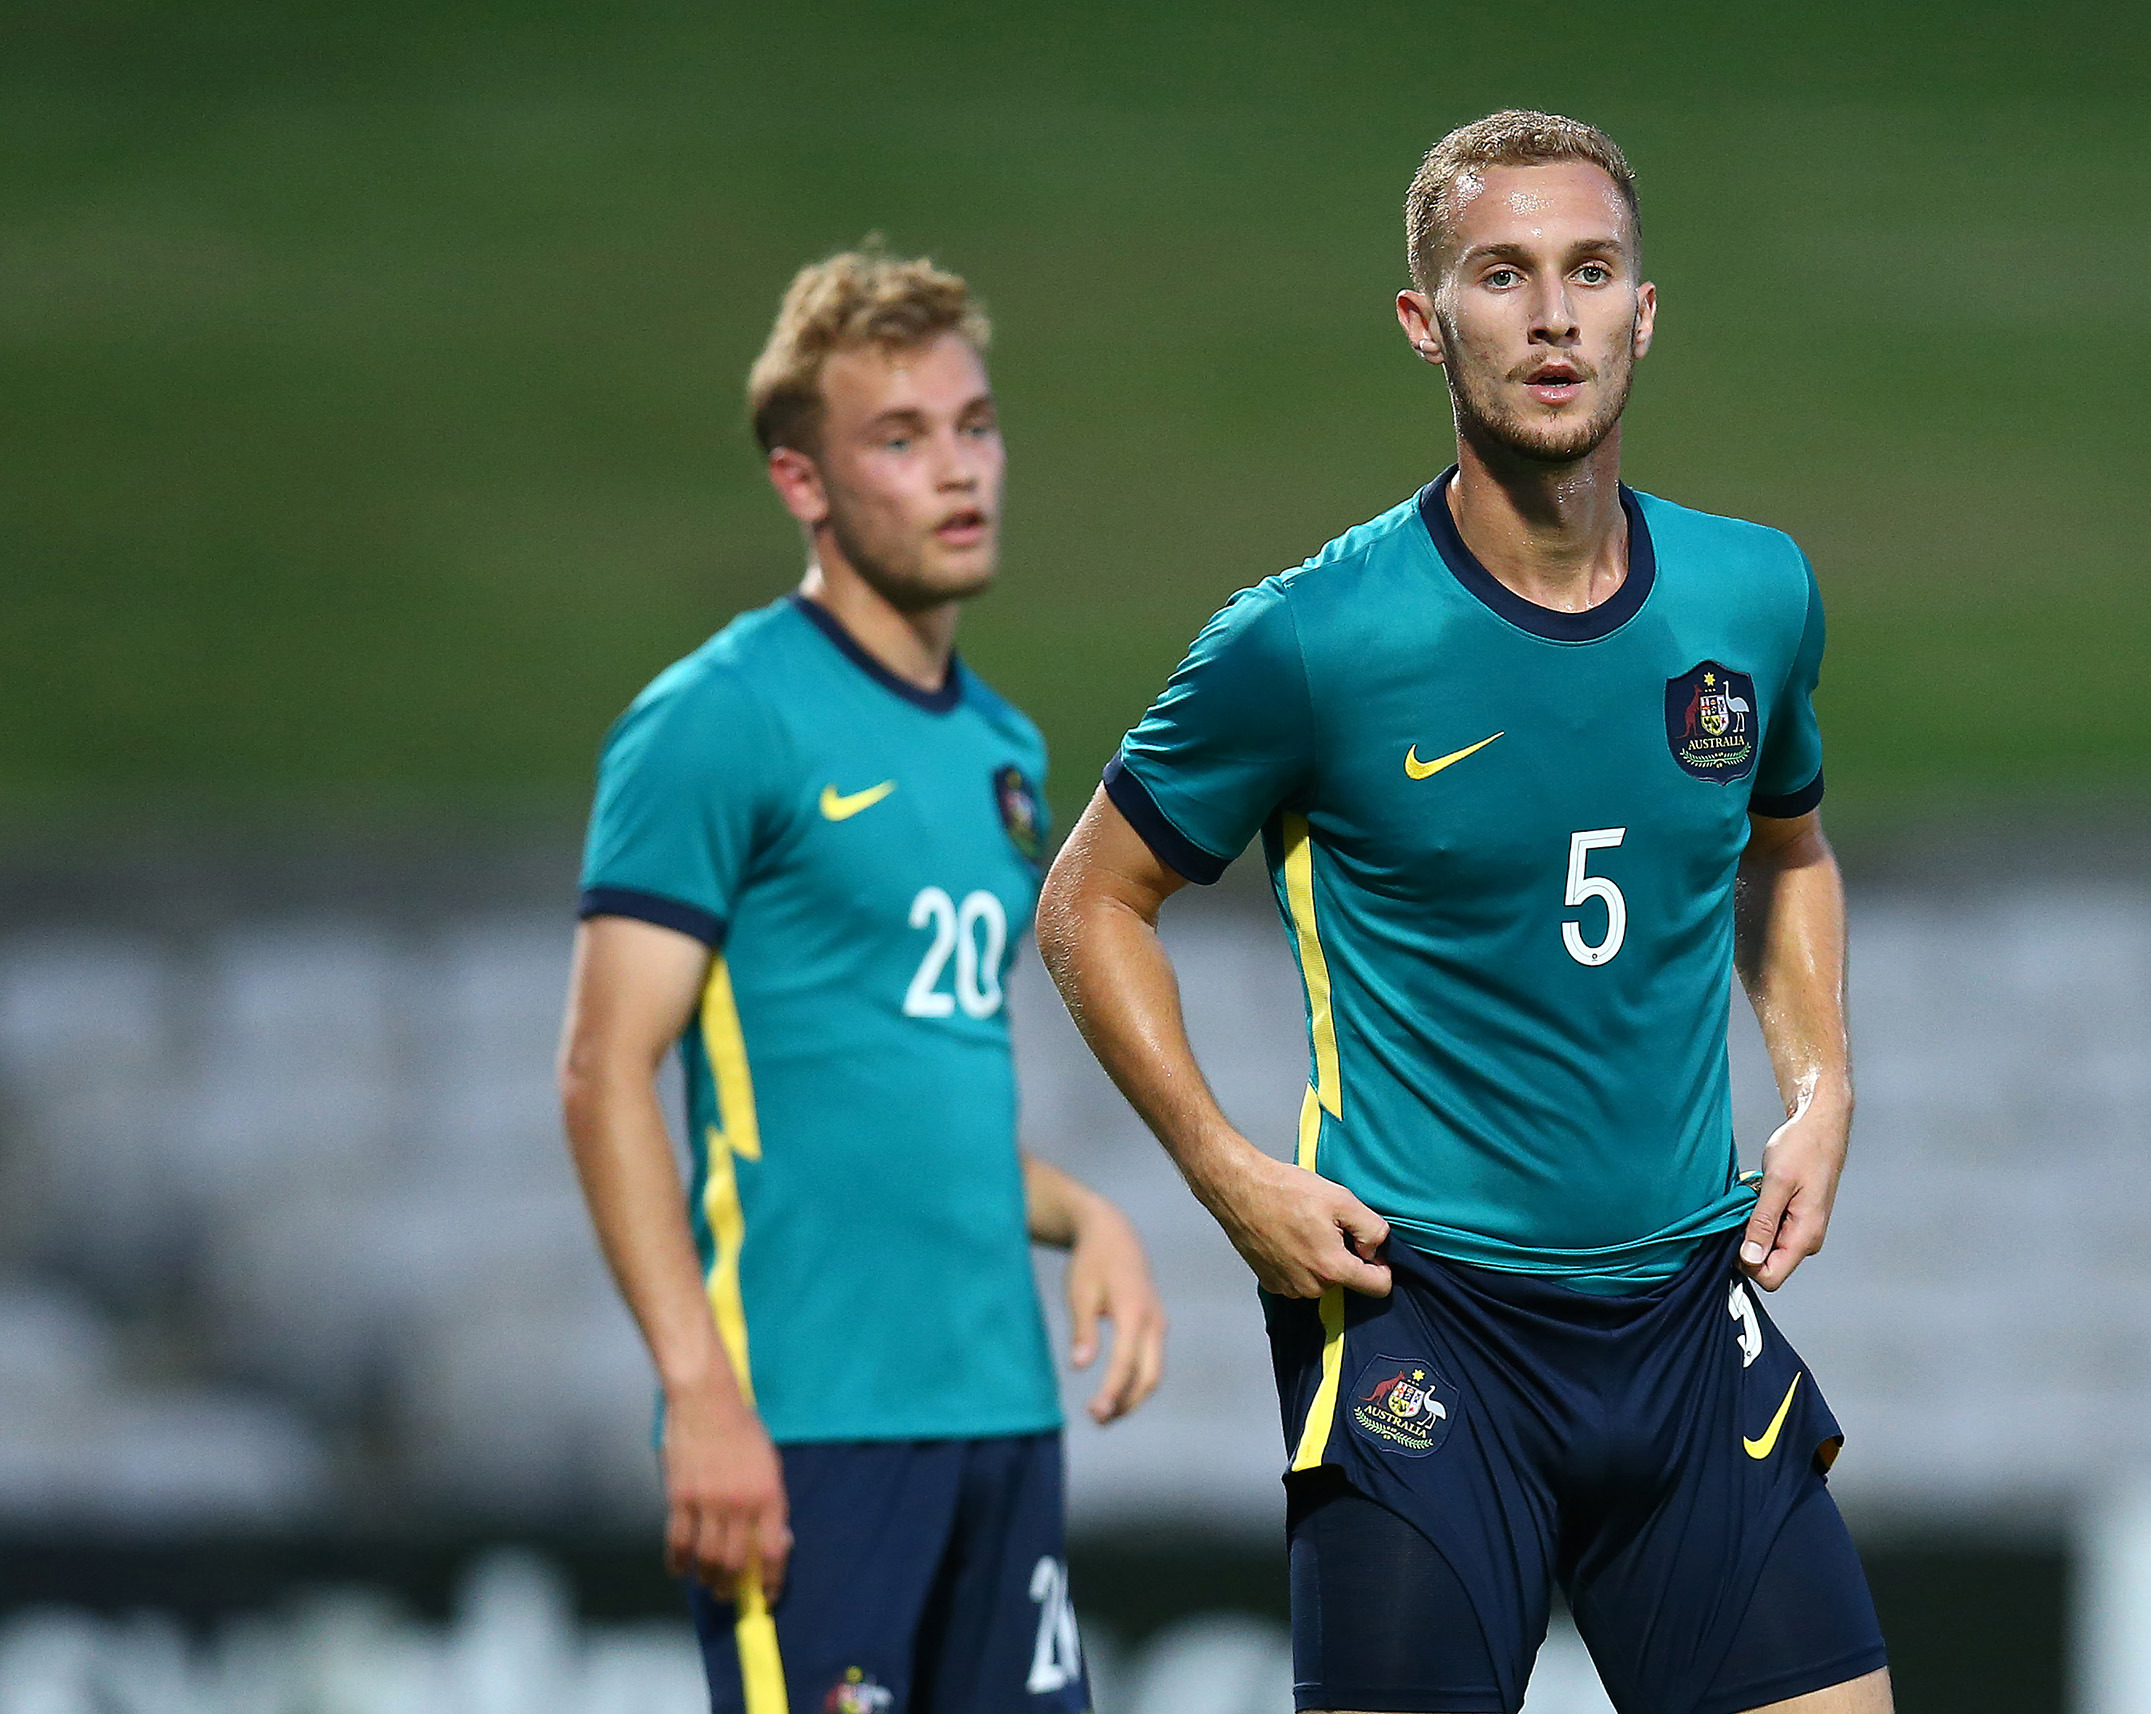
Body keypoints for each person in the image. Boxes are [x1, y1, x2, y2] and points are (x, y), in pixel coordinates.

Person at [1036, 112, 1885, 1714]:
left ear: (1647, 310)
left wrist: (1824, 1087)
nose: (1553, 315)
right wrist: (1230, 1173)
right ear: (1428, 321)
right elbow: (1091, 906)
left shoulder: (1754, 596)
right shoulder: (1309, 640)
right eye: (1504, 275)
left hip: (1687, 1317)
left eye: (1590, 271)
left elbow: (1788, 849)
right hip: (1427, 1329)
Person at [558, 245, 1165, 1714]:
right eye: (899, 439)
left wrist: (1081, 1209)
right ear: (803, 482)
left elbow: (905, 1074)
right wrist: (702, 1397)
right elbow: (603, 1073)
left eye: (974, 423)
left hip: (1000, 1414)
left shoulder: (1004, 751)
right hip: (809, 1423)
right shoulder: (718, 720)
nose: (958, 470)